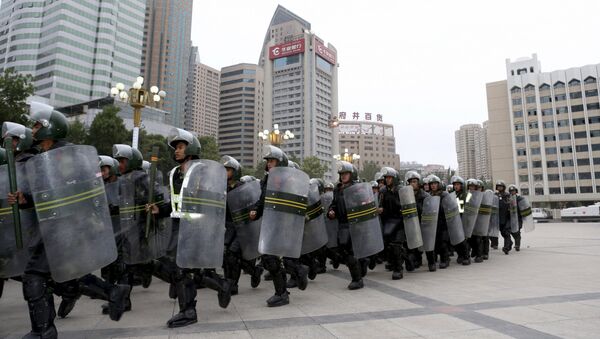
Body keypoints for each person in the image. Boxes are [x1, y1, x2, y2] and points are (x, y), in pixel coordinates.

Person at [149, 128, 232, 327]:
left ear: (191, 149)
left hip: (197, 226)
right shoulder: (175, 174)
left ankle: (188, 311)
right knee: (181, 268)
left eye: (180, 147)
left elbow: (214, 201)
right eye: (175, 148)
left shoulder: (203, 172)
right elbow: (177, 202)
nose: (176, 151)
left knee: (182, 269)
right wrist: (158, 210)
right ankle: (222, 285)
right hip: (178, 225)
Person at [249, 145, 294, 306]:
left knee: (271, 258)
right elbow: (262, 201)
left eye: (272, 160)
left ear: (280, 162)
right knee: (270, 258)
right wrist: (255, 211)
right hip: (269, 222)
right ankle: (282, 291)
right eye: (268, 161)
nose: (269, 163)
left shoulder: (288, 180)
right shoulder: (267, 180)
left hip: (281, 223)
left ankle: (281, 293)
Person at [222, 155, 263, 294]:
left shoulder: (242, 188)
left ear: (235, 171)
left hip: (243, 227)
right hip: (228, 228)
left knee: (233, 254)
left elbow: (251, 206)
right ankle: (254, 271)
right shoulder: (222, 188)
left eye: (228, 170)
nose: (225, 172)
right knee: (227, 256)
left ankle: (232, 284)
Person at [327, 161, 364, 289]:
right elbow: (334, 204)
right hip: (343, 224)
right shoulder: (338, 189)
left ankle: (357, 279)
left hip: (355, 223)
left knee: (350, 252)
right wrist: (331, 211)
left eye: (346, 173)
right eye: (341, 174)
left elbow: (363, 204)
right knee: (344, 250)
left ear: (352, 174)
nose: (343, 176)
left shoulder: (357, 188)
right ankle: (359, 270)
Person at [451, 176, 471, 265]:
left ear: (462, 185)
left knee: (463, 240)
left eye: (458, 184)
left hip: (464, 219)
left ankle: (466, 257)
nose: (456, 186)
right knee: (456, 240)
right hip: (455, 219)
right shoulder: (452, 195)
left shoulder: (467, 195)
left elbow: (469, 208)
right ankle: (460, 255)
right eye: (455, 184)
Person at [495, 180, 513, 255]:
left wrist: (507, 204)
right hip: (498, 217)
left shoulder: (507, 195)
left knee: (506, 233)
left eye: (501, 186)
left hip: (507, 217)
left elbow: (511, 204)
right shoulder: (495, 195)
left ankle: (506, 248)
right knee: (503, 233)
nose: (499, 187)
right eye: (498, 186)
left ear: (504, 187)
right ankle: (510, 243)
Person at [508, 184, 523, 252]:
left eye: (513, 190)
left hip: (518, 218)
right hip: (510, 218)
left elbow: (524, 208)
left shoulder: (520, 199)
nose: (512, 192)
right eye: (510, 191)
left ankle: (517, 245)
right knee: (511, 232)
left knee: (517, 231)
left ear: (516, 191)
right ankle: (514, 242)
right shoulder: (508, 199)